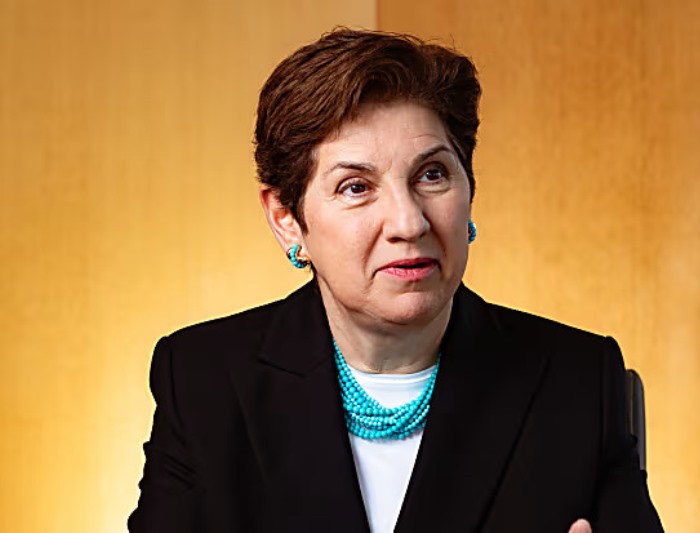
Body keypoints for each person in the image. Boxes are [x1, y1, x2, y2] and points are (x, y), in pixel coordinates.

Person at [128, 28, 662, 533]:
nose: (409, 222)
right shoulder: (203, 381)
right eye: (356, 187)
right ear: (287, 218)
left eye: (432, 175)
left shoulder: (576, 380)